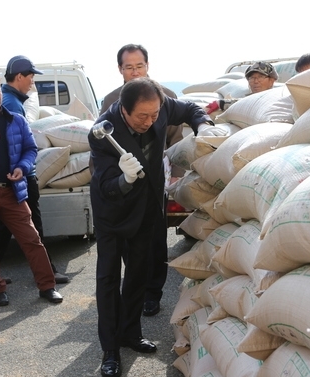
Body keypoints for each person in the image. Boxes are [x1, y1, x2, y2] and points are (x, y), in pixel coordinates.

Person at [88, 77, 221, 377]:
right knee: (109, 279)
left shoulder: (157, 106)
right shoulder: (102, 133)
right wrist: (125, 179)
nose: (150, 121)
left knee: (137, 273)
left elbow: (188, 109)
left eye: (154, 115)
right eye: (142, 117)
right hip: (113, 212)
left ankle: (130, 333)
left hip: (147, 209)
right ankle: (110, 349)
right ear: (123, 110)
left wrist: (204, 124)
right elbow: (107, 186)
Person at [0, 71, 62, 307]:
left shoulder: (17, 120)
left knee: (31, 238)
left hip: (13, 190)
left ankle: (47, 286)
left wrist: (22, 168)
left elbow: (30, 149)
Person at [100, 44, 184, 317]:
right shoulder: (111, 100)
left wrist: (176, 176)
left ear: (148, 66)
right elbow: (102, 144)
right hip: (126, 178)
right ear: (120, 69)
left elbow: (176, 140)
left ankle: (153, 293)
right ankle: (134, 288)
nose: (135, 71)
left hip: (155, 180)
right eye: (129, 67)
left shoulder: (165, 96)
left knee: (156, 238)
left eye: (140, 66)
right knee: (130, 241)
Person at [205, 61, 279, 114]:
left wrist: (222, 103)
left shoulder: (277, 97)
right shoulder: (247, 99)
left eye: (260, 77)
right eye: (252, 78)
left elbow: (253, 104)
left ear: (271, 80)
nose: (255, 81)